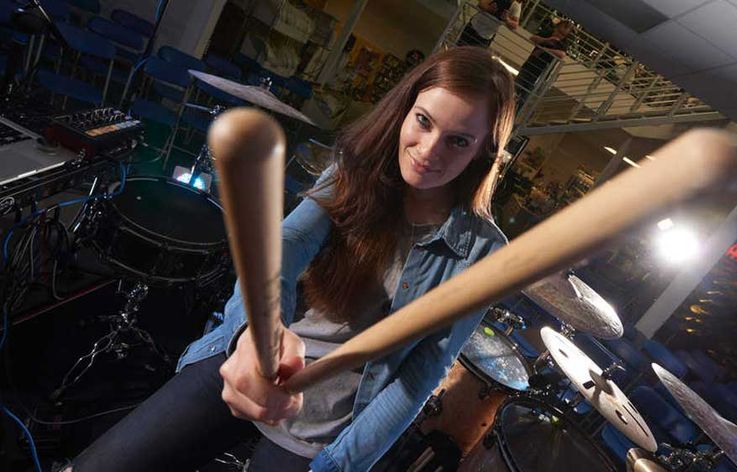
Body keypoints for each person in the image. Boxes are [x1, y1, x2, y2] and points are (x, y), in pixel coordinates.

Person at [64, 46, 515, 472]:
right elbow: (285, 245)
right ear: (406, 109)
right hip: (257, 355)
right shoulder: (353, 169)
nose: (429, 149)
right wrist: (255, 336)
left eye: (458, 141)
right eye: (423, 121)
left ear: (483, 152)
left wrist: (340, 463)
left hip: (325, 426)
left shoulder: (483, 251)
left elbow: (422, 374)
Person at [515, 19, 574, 109]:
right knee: (515, 88)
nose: (560, 36)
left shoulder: (563, 42)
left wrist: (545, 50)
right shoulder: (548, 33)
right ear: (556, 28)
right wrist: (546, 40)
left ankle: (515, 114)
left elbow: (562, 54)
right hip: (529, 66)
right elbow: (533, 38)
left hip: (541, 73)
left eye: (563, 35)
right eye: (559, 32)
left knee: (525, 96)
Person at [456, 0, 521, 48]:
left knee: (474, 60)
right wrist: (488, 8)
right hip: (473, 27)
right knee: (459, 49)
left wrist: (507, 19)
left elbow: (515, 25)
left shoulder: (515, 6)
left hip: (486, 37)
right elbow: (481, 3)